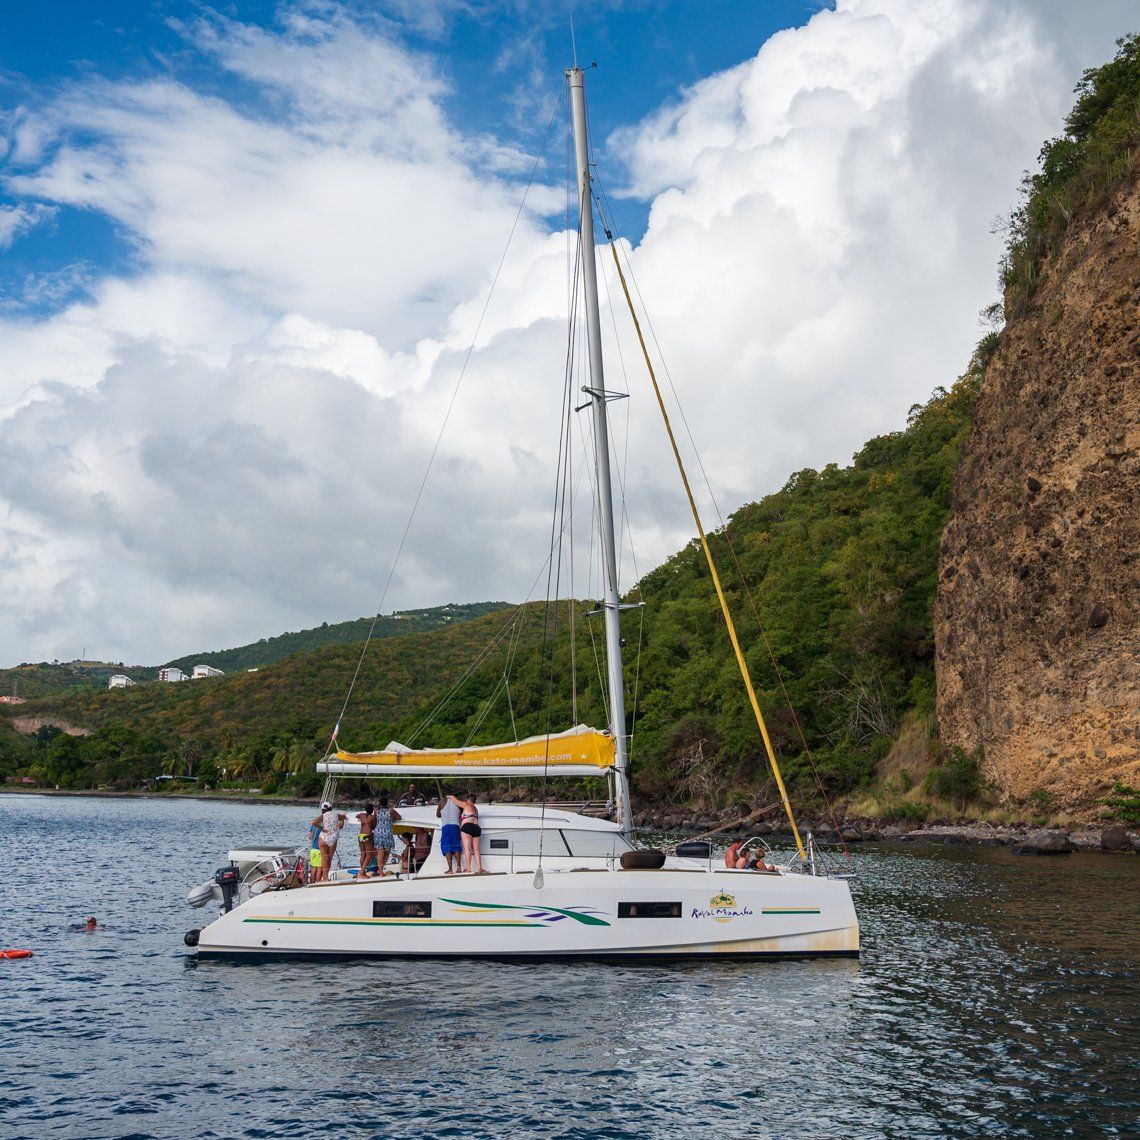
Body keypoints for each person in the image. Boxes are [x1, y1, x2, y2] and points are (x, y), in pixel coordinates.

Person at [312, 801, 347, 883]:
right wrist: (344, 816)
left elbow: (314, 822)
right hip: (333, 838)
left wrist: (321, 828)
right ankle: (326, 877)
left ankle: (325, 878)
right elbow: (342, 820)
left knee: (324, 858)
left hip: (323, 837)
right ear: (331, 808)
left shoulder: (323, 815)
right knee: (329, 858)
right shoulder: (336, 815)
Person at [373, 795, 401, 877]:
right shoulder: (391, 811)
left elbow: (375, 822)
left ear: (380, 803)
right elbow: (399, 818)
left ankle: (380, 872)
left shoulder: (376, 811)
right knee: (387, 852)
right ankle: (380, 870)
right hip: (387, 833)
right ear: (387, 803)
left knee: (380, 853)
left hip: (378, 833)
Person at [456, 791, 484, 874]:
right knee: (476, 849)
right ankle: (480, 868)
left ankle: (468, 868)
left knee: (467, 848)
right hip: (477, 828)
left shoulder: (466, 805)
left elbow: (455, 801)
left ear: (468, 800)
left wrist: (450, 796)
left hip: (467, 826)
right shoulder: (476, 809)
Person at [436, 790, 463, 874]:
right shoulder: (457, 802)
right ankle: (459, 866)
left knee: (447, 846)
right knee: (456, 845)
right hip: (455, 826)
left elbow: (438, 815)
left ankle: (450, 869)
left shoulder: (442, 801)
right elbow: (461, 812)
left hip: (446, 826)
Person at [356, 803, 377, 879]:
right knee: (369, 855)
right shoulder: (373, 817)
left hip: (360, 835)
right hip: (367, 836)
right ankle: (361, 873)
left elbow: (356, 816)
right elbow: (374, 827)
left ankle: (363, 873)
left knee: (363, 854)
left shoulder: (361, 815)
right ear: (372, 810)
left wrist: (361, 818)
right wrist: (375, 815)